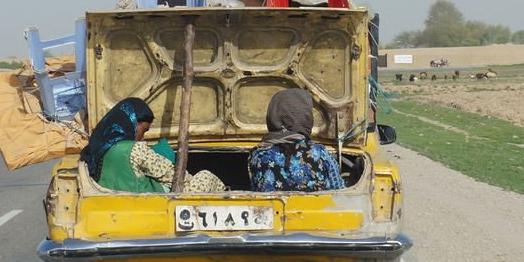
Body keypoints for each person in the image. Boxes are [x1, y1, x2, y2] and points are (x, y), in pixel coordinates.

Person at [81, 97, 226, 194]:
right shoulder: (136, 150)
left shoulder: (97, 150)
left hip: (117, 204)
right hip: (151, 205)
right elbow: (173, 176)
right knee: (206, 176)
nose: (143, 138)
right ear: (132, 123)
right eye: (143, 131)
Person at [247, 88, 344, 193]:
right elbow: (341, 193)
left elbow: (255, 193)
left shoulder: (258, 155)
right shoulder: (320, 154)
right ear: (306, 116)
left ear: (271, 116)